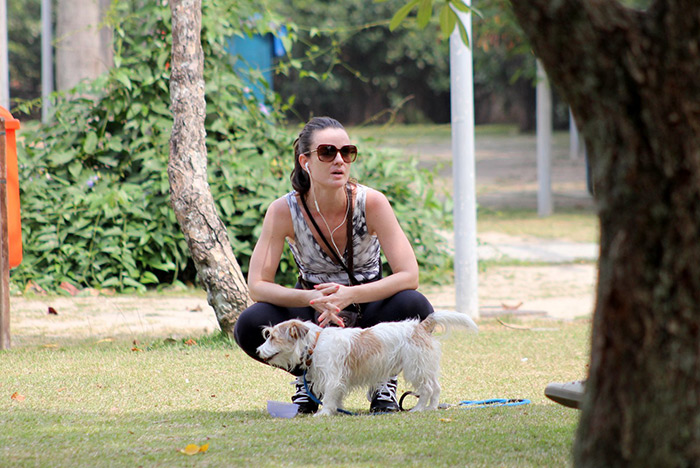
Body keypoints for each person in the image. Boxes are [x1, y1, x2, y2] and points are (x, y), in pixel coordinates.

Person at [233, 116, 434, 414]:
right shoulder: (282, 210)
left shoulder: (372, 202)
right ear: (306, 161)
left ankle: (382, 381)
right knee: (251, 324)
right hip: (314, 313)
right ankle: (309, 377)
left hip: (369, 307)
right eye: (327, 152)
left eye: (347, 152)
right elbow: (257, 285)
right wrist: (310, 298)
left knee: (415, 307)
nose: (339, 160)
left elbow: (410, 275)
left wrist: (350, 294)